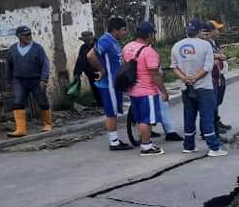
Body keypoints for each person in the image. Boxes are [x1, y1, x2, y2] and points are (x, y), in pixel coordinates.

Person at [171, 20, 227, 157]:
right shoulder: (205, 45)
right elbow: (208, 67)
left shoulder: (176, 46)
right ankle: (214, 147)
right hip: (204, 87)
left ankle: (189, 145)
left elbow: (174, 67)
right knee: (207, 116)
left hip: (186, 87)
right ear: (198, 31)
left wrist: (185, 79)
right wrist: (195, 78)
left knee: (189, 116)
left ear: (187, 31)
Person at [121, 21, 169, 156]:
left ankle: (146, 143)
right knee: (146, 120)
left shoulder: (127, 47)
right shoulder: (149, 52)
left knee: (140, 118)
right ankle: (146, 146)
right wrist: (163, 91)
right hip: (147, 91)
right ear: (149, 35)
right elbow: (154, 74)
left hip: (133, 90)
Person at [87, 16, 132, 150]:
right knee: (111, 113)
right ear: (115, 30)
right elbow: (90, 55)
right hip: (109, 85)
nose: (125, 33)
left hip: (115, 83)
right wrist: (101, 69)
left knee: (114, 112)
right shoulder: (106, 41)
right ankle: (114, 142)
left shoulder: (114, 41)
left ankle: (116, 139)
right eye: (123, 30)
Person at [5, 26, 52, 137]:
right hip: (19, 80)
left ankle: (47, 124)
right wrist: (8, 81)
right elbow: (9, 66)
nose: (28, 36)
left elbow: (45, 64)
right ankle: (20, 129)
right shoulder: (12, 49)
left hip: (36, 80)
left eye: (29, 34)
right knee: (18, 101)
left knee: (42, 101)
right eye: (25, 35)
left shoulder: (37, 48)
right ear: (19, 36)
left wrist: (44, 79)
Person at [202, 21, 230, 133]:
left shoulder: (214, 42)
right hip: (212, 77)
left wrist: (220, 56)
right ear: (210, 31)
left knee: (217, 100)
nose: (218, 32)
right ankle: (211, 127)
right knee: (212, 102)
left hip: (219, 75)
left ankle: (216, 121)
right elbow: (214, 56)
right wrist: (219, 56)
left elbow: (222, 55)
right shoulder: (205, 44)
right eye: (216, 29)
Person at [72, 31, 103, 107]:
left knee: (102, 88)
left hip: (100, 72)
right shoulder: (83, 48)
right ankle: (100, 104)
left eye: (88, 40)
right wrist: (77, 73)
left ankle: (106, 104)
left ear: (92, 39)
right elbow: (80, 61)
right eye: (85, 41)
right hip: (90, 73)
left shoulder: (99, 46)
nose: (87, 42)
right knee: (95, 89)